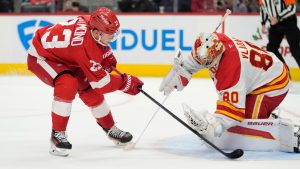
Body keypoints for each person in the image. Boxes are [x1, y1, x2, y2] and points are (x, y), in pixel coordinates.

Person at [27, 7, 144, 156]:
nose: (114, 37)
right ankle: (57, 135)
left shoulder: (92, 23)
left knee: (89, 89)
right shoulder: (84, 47)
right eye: (110, 34)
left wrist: (105, 55)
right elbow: (101, 84)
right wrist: (124, 82)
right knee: (67, 83)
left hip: (66, 57)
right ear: (96, 32)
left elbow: (94, 45)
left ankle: (110, 129)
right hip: (42, 57)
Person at [159, 32, 300, 152]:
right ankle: (264, 114)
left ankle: (289, 134)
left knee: (245, 124)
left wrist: (212, 125)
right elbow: (200, 57)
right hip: (260, 73)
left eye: (206, 61)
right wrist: (183, 70)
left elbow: (233, 112)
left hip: (273, 83)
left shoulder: (229, 69)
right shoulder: (214, 40)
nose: (202, 62)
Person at [259, 0, 300, 69]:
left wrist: (278, 18)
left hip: (289, 23)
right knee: (271, 49)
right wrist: (263, 23)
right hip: (275, 25)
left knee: (295, 49)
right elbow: (263, 8)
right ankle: (285, 71)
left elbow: (292, 9)